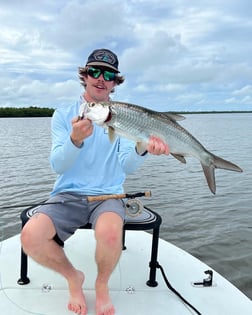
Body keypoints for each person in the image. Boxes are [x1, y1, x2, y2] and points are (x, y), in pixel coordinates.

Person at [21, 48, 169, 315]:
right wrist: (75, 140)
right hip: (67, 194)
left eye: (109, 74)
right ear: (85, 76)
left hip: (109, 195)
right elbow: (58, 165)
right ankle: (73, 277)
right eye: (95, 72)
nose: (101, 78)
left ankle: (102, 285)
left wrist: (143, 148)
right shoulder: (63, 114)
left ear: (114, 83)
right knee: (30, 236)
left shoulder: (123, 116)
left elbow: (126, 166)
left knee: (111, 233)